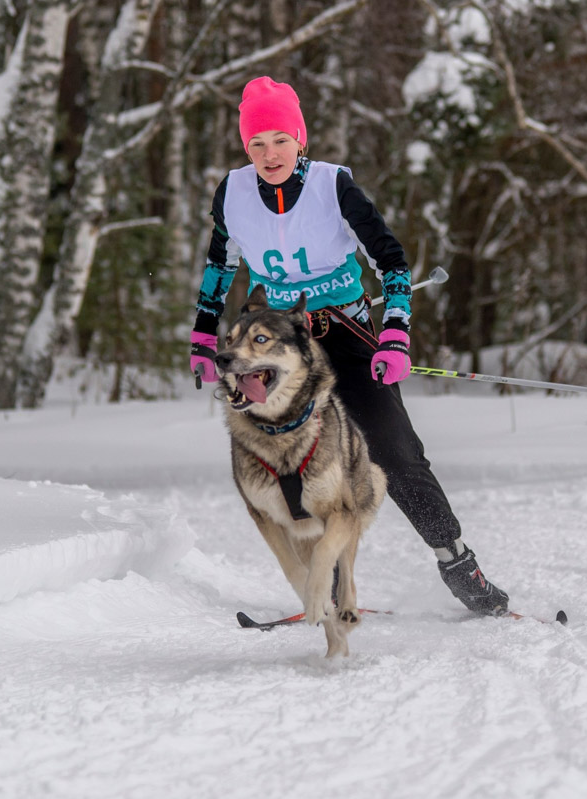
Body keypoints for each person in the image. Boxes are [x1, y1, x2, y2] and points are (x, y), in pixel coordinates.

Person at [189, 76, 509, 616]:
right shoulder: (233, 192)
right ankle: (332, 583)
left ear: (300, 140)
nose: (270, 154)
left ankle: (457, 561)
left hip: (346, 329)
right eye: (257, 144)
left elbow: (392, 261)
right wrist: (203, 336)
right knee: (293, 461)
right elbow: (221, 264)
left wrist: (396, 334)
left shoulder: (333, 186)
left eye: (280, 140)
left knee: (392, 449)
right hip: (286, 341)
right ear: (246, 148)